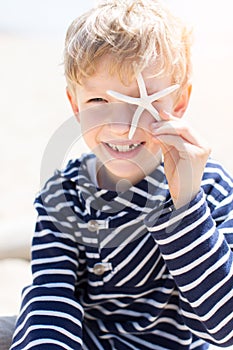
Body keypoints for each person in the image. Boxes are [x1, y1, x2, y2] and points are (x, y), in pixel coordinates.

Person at [9, 0, 233, 349]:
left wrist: (187, 204)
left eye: (140, 101)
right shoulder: (63, 195)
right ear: (74, 106)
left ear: (178, 104)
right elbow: (49, 303)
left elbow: (224, 327)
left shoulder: (212, 189)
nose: (122, 126)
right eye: (99, 101)